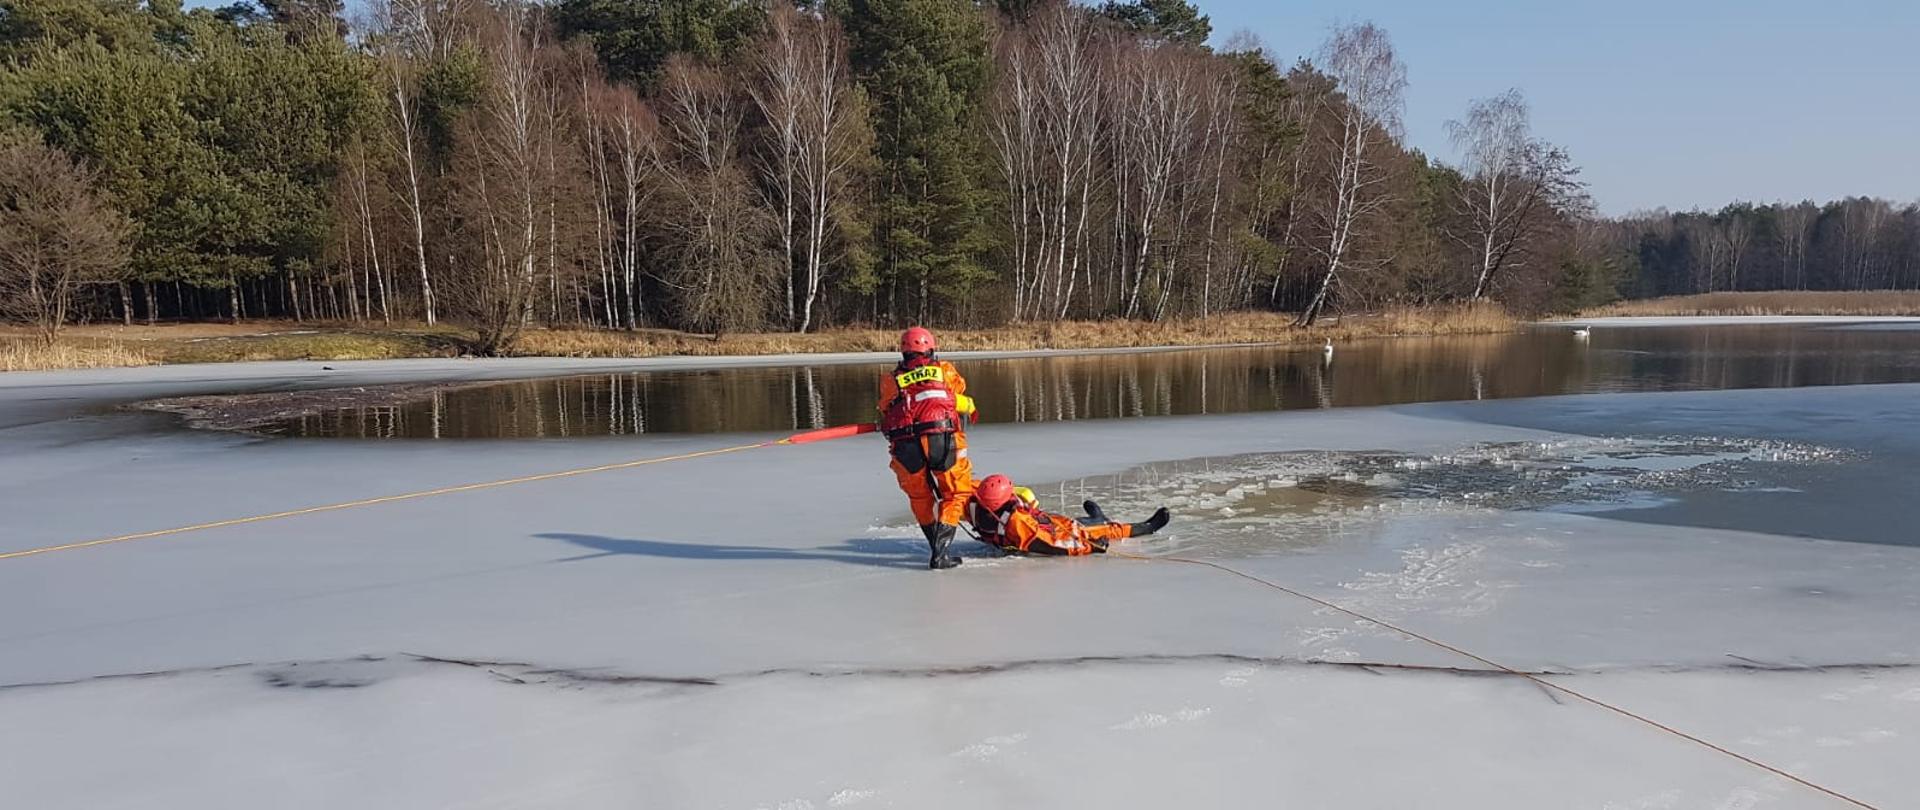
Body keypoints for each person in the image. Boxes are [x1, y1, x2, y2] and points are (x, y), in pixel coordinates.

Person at [878, 326, 978, 570]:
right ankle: (941, 554)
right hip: (941, 439)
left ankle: (936, 549)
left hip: (905, 445)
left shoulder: (890, 379)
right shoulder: (944, 370)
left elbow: (884, 409)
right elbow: (959, 395)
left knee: (920, 496)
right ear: (931, 349)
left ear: (903, 352)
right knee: (955, 493)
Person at [963, 474, 1172, 556]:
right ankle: (1147, 527)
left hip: (1043, 523)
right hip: (1046, 533)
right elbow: (1053, 545)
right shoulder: (1018, 523)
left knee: (1067, 521)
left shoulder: (972, 503)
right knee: (1097, 530)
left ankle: (1097, 516)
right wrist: (1090, 547)